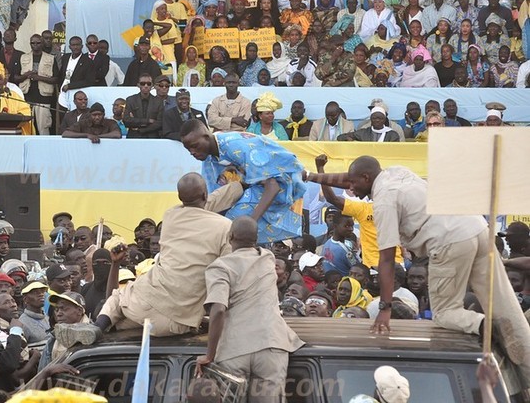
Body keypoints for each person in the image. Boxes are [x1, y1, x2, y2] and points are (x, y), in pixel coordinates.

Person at [347, 156, 530, 385]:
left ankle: (486, 325)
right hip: (477, 228)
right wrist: (311, 176)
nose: (351, 190)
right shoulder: (395, 172)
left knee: (444, 312)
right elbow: (350, 179)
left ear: (366, 178)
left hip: (449, 242)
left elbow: (386, 259)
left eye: (353, 184)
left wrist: (385, 308)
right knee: (508, 309)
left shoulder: (383, 200)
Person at [54, 173, 240, 347]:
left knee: (116, 300)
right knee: (124, 309)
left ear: (179, 197)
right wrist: (239, 187)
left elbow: (202, 207)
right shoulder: (226, 228)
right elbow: (226, 273)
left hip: (143, 304)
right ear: (205, 194)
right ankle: (95, 330)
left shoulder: (171, 217)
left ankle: (97, 328)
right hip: (179, 319)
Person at [196, 216, 303, 402]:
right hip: (271, 344)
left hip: (234, 348)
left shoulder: (220, 267)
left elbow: (219, 310)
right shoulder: (268, 258)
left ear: (230, 237)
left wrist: (209, 355)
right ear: (256, 238)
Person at [181, 120, 307, 243]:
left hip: (283, 183)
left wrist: (251, 223)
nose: (192, 152)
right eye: (188, 149)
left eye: (195, 146)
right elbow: (215, 198)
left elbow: (273, 186)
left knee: (234, 227)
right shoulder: (208, 157)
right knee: (215, 226)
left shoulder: (236, 146)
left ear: (206, 136)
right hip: (252, 187)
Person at [18, 34, 59, 135]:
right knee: (26, 127)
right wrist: (26, 75)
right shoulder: (23, 57)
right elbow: (16, 77)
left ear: (42, 43)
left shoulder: (50, 58)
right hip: (27, 97)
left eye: (38, 43)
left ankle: (45, 149)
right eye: (33, 43)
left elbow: (56, 79)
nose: (35, 45)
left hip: (43, 98)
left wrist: (39, 78)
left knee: (43, 127)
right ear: (30, 44)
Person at [123, 73, 164, 139]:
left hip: (152, 137)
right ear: (138, 85)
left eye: (148, 84)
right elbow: (126, 121)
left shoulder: (158, 101)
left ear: (152, 86)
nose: (146, 86)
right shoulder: (130, 100)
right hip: (134, 137)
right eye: (142, 83)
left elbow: (159, 123)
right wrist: (148, 121)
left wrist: (141, 130)